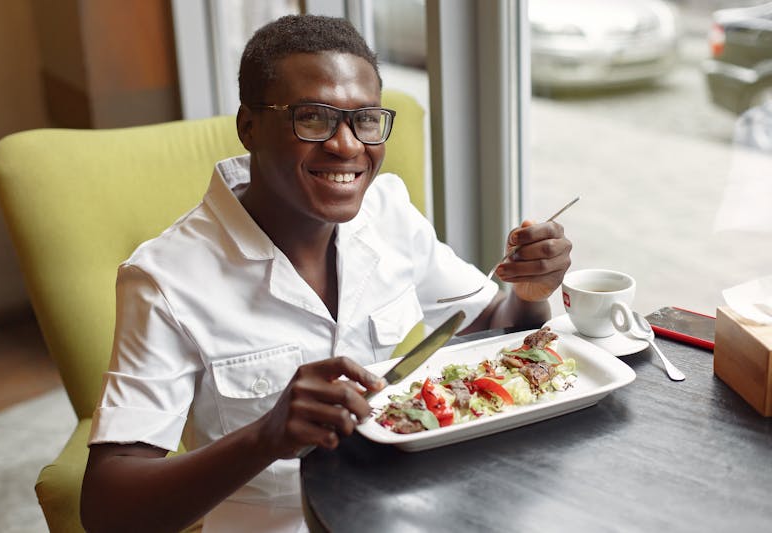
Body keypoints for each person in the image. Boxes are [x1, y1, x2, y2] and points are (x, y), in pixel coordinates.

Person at [80, 13, 572, 533]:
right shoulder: (164, 280)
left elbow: (492, 323)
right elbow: (108, 511)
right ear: (249, 126)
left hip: (418, 505)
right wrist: (265, 436)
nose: (347, 146)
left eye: (365, 119)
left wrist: (530, 291)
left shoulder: (388, 209)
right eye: (313, 118)